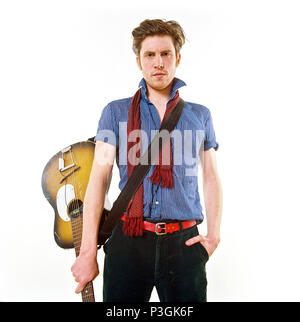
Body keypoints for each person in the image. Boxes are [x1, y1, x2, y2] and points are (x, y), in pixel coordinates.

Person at [71, 18, 222, 302]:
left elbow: (211, 176)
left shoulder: (200, 115)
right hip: (128, 239)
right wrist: (89, 252)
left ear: (177, 57)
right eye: (149, 55)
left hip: (184, 242)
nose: (158, 63)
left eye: (165, 54)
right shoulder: (115, 112)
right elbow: (99, 179)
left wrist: (213, 236)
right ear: (139, 62)